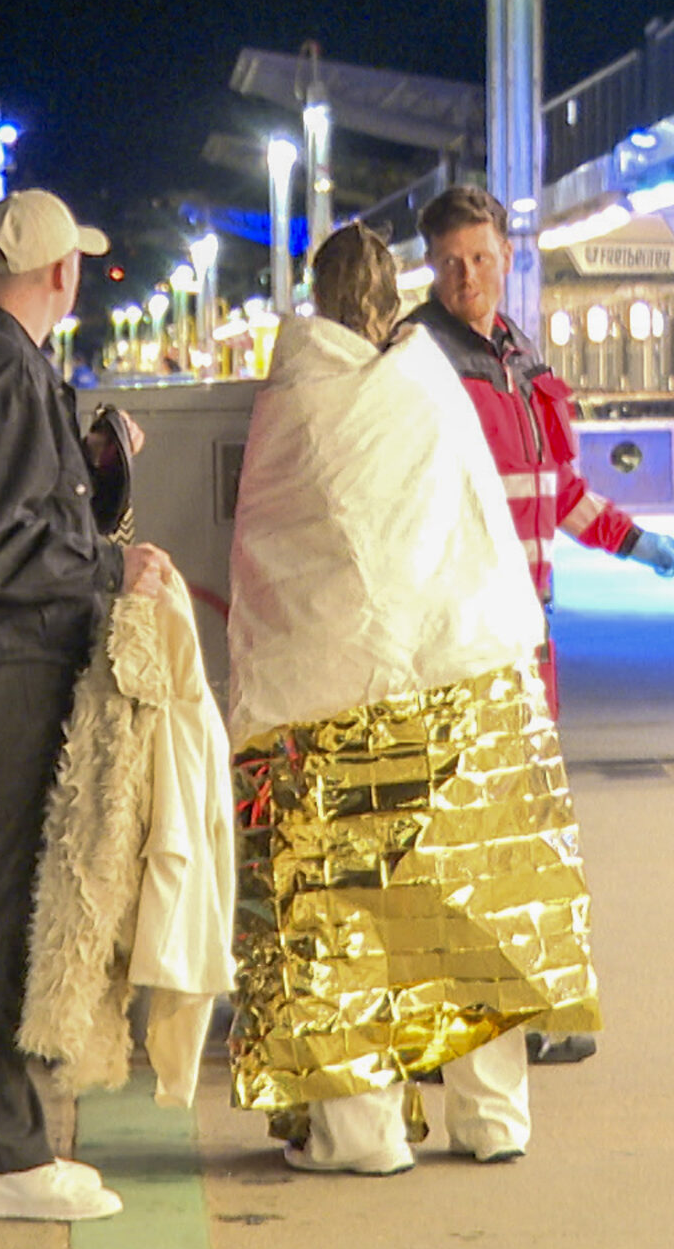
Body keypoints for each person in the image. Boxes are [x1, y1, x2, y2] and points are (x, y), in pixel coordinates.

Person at [226, 222, 598, 1175]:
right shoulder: (431, 382)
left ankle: (363, 1137)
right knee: (468, 899)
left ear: (314, 297)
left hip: (327, 696)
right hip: (463, 674)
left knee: (338, 913)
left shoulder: (292, 399)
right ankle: (493, 1120)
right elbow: (478, 513)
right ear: (396, 295)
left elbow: (265, 552)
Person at [0, 189, 171, 1221]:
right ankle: (3, 1155)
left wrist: (94, 479)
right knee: (4, 906)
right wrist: (109, 566)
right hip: (3, 668)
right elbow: (2, 546)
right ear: (59, 274)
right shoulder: (9, 376)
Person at [405, 183, 674, 1067]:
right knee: (471, 829)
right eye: (451, 262)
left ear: (509, 258)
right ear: (430, 267)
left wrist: (634, 540)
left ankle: (519, 1007)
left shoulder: (518, 355)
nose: (467, 276)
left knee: (527, 825)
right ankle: (476, 1023)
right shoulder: (418, 361)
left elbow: (556, 490)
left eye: (482, 258)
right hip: (465, 631)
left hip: (526, 632)